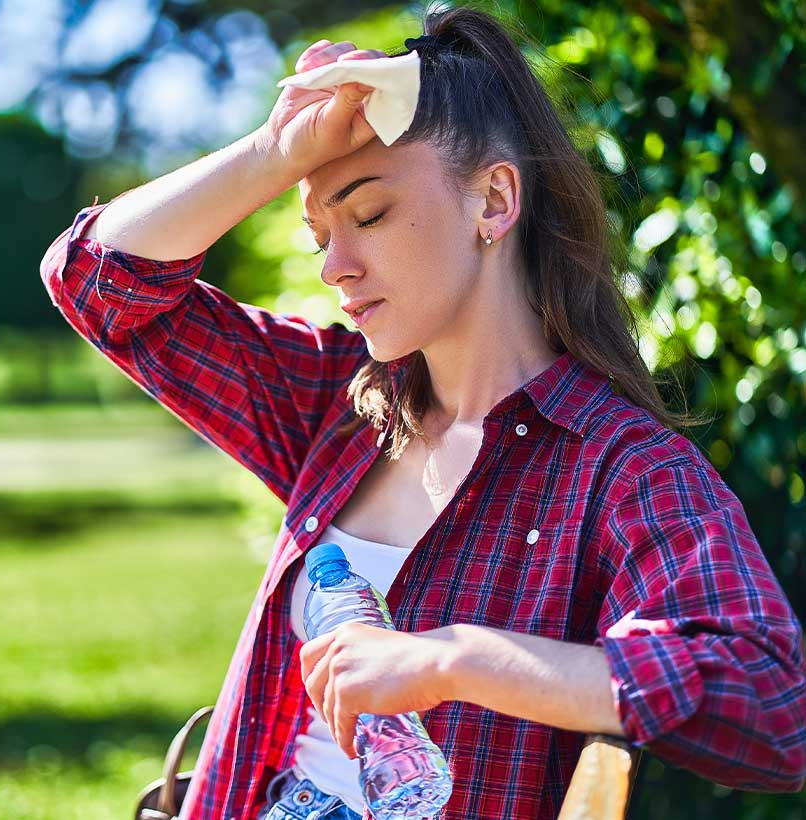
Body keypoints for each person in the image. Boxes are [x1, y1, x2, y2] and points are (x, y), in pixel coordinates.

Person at [39, 6, 806, 820]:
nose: (336, 265)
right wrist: (279, 149)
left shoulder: (621, 471)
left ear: (494, 200)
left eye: (367, 215)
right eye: (318, 234)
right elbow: (98, 284)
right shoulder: (339, 406)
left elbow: (770, 703)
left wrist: (455, 659)